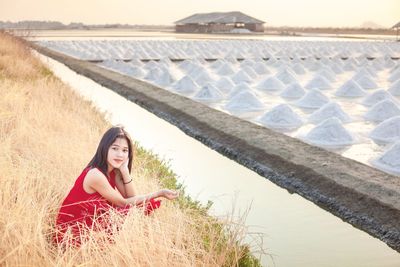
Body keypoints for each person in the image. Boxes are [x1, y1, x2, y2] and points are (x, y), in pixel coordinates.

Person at [54, 125, 178, 245]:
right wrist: (158, 193)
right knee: (127, 209)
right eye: (115, 148)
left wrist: (124, 170)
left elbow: (132, 197)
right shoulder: (95, 174)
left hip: (87, 224)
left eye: (125, 151)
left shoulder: (114, 171)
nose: (120, 154)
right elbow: (123, 203)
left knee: (142, 205)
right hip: (70, 232)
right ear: (104, 148)